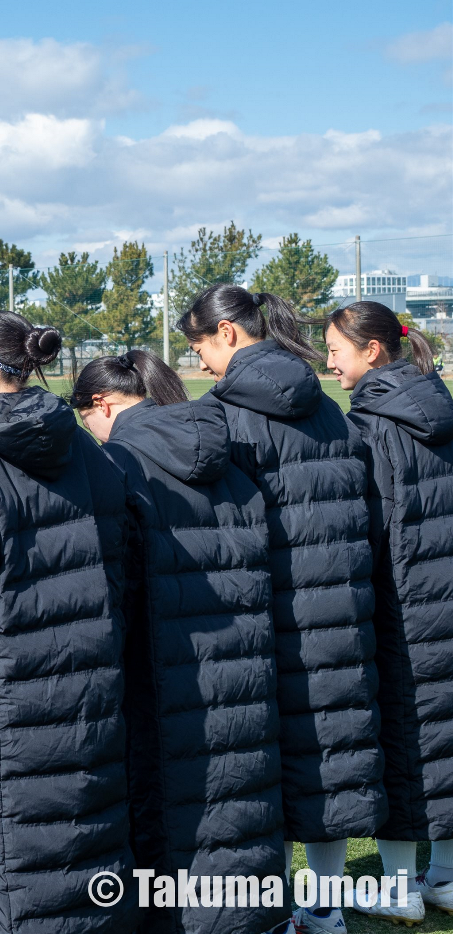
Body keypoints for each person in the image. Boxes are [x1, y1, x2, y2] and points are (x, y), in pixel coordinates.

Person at [0, 310, 136, 934]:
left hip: (3, 719)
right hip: (91, 703)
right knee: (87, 868)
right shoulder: (91, 452)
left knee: (6, 877)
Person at [179, 284, 385, 934]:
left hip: (265, 614)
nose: (200, 361)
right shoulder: (328, 409)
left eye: (200, 346)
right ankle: (325, 909)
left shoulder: (225, 414)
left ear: (229, 334)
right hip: (342, 611)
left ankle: (277, 907)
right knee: (330, 756)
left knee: (260, 763)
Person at [72, 350, 288, 934]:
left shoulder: (121, 462)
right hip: (245, 667)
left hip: (165, 671)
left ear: (104, 405)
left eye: (86, 421)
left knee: (173, 809)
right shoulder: (233, 458)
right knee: (242, 796)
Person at [325, 302, 453, 925]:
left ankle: (400, 886)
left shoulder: (372, 424)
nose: (329, 362)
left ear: (372, 351)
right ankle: (446, 878)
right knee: (446, 736)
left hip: (400, 605)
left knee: (402, 740)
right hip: (445, 596)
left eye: (336, 350)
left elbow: (366, 524)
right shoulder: (441, 408)